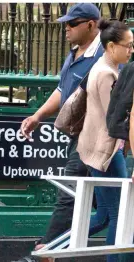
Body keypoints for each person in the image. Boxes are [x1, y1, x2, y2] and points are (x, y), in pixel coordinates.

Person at [19, 3, 104, 261]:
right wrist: (37, 116)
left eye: (71, 23)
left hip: (94, 138)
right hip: (78, 138)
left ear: (90, 24)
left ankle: (47, 249)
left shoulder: (104, 55)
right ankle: (52, 248)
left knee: (70, 196)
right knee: (106, 207)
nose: (65, 28)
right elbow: (61, 91)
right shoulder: (75, 53)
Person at [76, 20, 133, 262]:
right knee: (121, 217)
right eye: (128, 46)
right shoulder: (108, 75)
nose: (131, 50)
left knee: (106, 216)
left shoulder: (98, 67)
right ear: (111, 47)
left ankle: (50, 245)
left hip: (94, 150)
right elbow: (116, 119)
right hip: (107, 152)